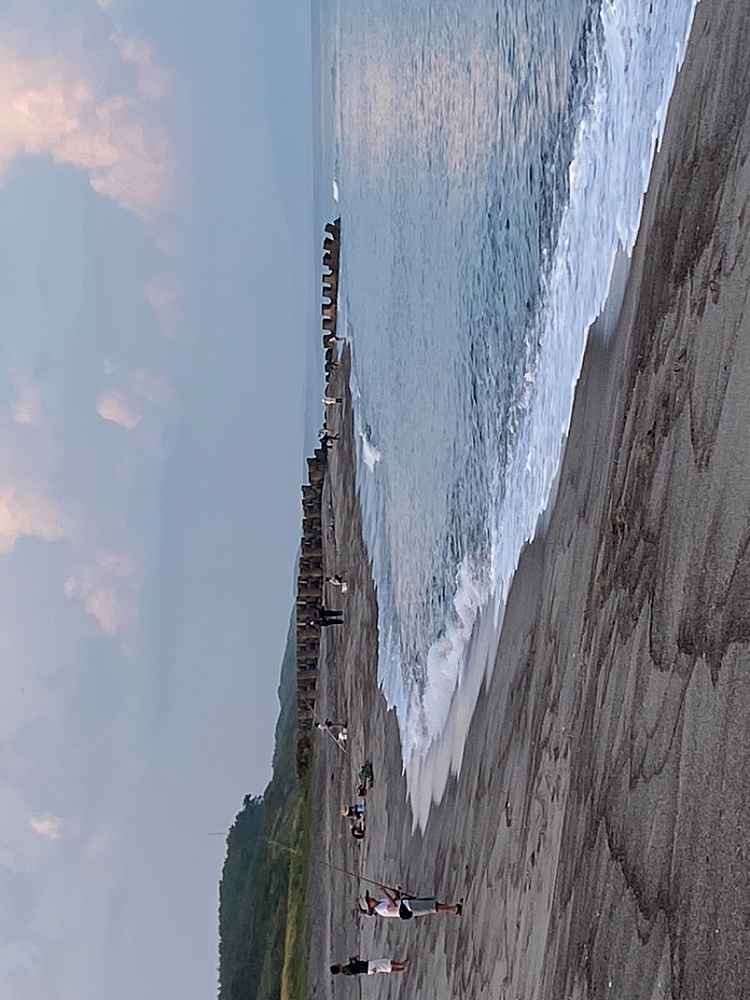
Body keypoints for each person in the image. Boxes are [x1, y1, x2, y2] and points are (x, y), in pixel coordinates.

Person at [360, 889, 462, 919]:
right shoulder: (380, 909)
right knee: (431, 907)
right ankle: (454, 909)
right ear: (370, 907)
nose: (371, 898)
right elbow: (393, 906)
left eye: (369, 898)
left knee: (431, 904)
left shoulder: (381, 902)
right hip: (408, 908)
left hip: (407, 903)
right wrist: (385, 893)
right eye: (369, 901)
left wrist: (395, 894)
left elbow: (395, 901)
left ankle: (453, 907)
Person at [330, 958, 409, 976]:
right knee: (385, 965)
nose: (338, 963)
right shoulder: (346, 969)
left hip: (368, 968)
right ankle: (401, 966)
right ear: (337, 967)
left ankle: (401, 966)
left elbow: (355, 969)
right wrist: (354, 961)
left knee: (385, 964)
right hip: (369, 967)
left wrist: (354, 961)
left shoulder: (345, 971)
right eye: (336, 965)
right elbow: (356, 968)